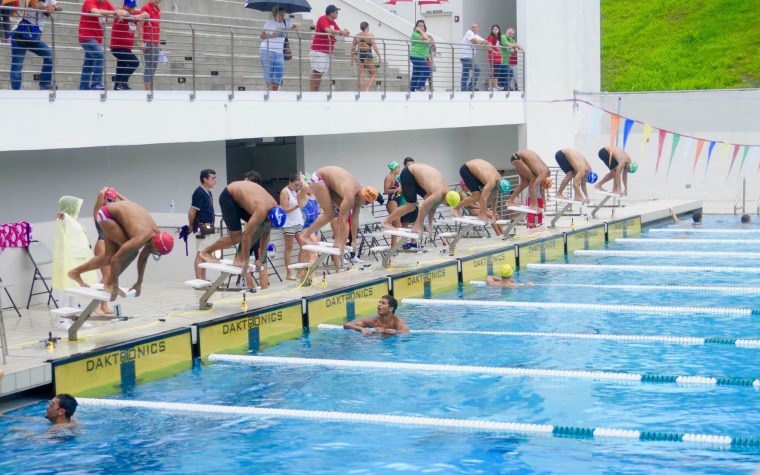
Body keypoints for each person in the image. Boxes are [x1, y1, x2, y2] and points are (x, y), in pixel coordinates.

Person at [68, 196, 174, 301]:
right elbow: (116, 259)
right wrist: (114, 284)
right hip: (107, 215)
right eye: (158, 252)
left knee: (108, 257)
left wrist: (139, 282)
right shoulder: (141, 237)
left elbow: (143, 257)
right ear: (155, 245)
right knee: (130, 253)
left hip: (115, 215)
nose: (156, 254)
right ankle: (109, 283)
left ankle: (75, 272)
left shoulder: (155, 236)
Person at [198, 180, 286, 276]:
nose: (270, 224)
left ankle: (239, 259)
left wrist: (260, 259)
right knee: (237, 237)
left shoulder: (274, 209)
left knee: (262, 227)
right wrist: (246, 261)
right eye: (270, 222)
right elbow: (246, 237)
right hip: (229, 197)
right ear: (270, 216)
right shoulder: (262, 212)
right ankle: (206, 252)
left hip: (241, 199)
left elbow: (266, 236)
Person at [300, 166, 378, 258]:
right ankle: (305, 235)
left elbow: (355, 218)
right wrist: (342, 244)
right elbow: (342, 219)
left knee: (343, 213)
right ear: (363, 196)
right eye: (367, 202)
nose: (367, 204)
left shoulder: (359, 196)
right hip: (319, 178)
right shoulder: (350, 195)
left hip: (330, 182)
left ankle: (337, 242)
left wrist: (354, 241)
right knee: (330, 215)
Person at [382, 162, 448, 238]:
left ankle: (416, 226)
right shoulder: (438, 194)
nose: (445, 205)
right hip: (409, 173)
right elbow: (424, 207)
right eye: (447, 204)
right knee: (411, 205)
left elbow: (433, 208)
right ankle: (386, 221)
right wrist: (419, 225)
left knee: (428, 202)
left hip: (415, 176)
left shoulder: (444, 191)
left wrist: (430, 226)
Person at [53, 196, 97, 308]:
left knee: (76, 289)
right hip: (67, 259)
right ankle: (63, 319)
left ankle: (74, 317)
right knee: (67, 290)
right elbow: (62, 218)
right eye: (77, 207)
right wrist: (63, 216)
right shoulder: (65, 221)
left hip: (78, 259)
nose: (79, 210)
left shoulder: (75, 222)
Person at [9, 0, 61, 91]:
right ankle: (15, 91)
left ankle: (45, 85)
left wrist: (54, 7)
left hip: (33, 37)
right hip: (20, 35)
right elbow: (34, 4)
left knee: (50, 56)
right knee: (17, 66)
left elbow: (60, 6)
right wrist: (47, 8)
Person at [92, 187, 128, 314]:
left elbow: (128, 204)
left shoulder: (113, 214)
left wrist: (117, 194)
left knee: (109, 277)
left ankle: (103, 306)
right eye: (109, 200)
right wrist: (104, 191)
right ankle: (95, 306)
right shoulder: (99, 214)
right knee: (106, 277)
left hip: (111, 247)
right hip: (102, 245)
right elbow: (100, 195)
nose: (112, 202)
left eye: (113, 200)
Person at [78, 0, 126, 90]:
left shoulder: (106, 3)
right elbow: (95, 12)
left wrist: (122, 12)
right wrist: (115, 12)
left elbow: (117, 12)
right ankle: (96, 83)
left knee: (88, 63)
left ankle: (83, 88)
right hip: (86, 36)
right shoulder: (89, 1)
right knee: (99, 55)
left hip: (96, 39)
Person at [309, 4, 349, 92]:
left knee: (320, 73)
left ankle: (316, 91)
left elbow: (337, 31)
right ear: (331, 13)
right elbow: (328, 30)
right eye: (336, 12)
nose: (337, 14)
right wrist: (341, 32)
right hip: (318, 50)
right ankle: (312, 92)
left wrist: (344, 32)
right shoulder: (323, 19)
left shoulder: (333, 22)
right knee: (316, 72)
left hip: (326, 51)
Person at [109, 0, 147, 91]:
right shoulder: (121, 11)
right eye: (130, 6)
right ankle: (122, 82)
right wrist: (133, 16)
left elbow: (146, 14)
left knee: (121, 67)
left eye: (133, 6)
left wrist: (136, 16)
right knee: (134, 62)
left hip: (127, 48)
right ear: (124, 6)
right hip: (117, 47)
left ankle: (117, 86)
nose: (132, 8)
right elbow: (123, 13)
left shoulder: (134, 12)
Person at [259, 6, 297, 92]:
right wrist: (273, 35)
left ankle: (274, 92)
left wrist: (288, 30)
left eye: (283, 15)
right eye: (280, 15)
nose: (282, 17)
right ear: (275, 14)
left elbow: (296, 28)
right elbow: (262, 36)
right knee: (269, 71)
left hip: (279, 51)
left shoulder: (286, 22)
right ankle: (270, 91)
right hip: (267, 49)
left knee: (279, 73)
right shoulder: (269, 23)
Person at [188, 168, 217, 280]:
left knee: (205, 252)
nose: (215, 180)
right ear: (205, 179)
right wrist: (191, 225)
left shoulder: (208, 192)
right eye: (213, 178)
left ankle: (203, 279)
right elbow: (192, 211)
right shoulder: (199, 192)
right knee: (201, 253)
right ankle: (199, 279)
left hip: (208, 227)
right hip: (201, 227)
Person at [280, 173, 307, 281]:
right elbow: (284, 209)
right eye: (295, 185)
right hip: (289, 224)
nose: (297, 187)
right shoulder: (284, 192)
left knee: (304, 246)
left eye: (298, 185)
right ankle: (289, 272)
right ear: (290, 182)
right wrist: (296, 206)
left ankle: (300, 270)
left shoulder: (295, 191)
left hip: (298, 222)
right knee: (289, 248)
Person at [343, 295, 409, 336]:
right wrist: (362, 329)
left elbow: (404, 332)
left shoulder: (397, 322)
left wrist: (385, 331)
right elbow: (348, 324)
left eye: (383, 303)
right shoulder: (373, 320)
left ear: (391, 308)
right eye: (379, 302)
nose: (379, 305)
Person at [350, 21, 382, 92]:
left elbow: (353, 48)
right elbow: (374, 46)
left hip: (360, 56)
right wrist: (379, 57)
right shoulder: (370, 35)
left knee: (361, 76)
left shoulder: (357, 36)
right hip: (368, 55)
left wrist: (352, 59)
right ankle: (367, 91)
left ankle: (361, 91)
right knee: (373, 75)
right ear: (367, 27)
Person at [137, 0, 160, 92]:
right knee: (149, 66)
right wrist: (141, 41)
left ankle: (150, 90)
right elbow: (140, 24)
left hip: (155, 41)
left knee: (154, 66)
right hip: (148, 40)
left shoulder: (158, 9)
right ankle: (148, 92)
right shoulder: (146, 8)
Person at [459, 23, 489, 92]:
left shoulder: (476, 35)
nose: (474, 28)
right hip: (465, 57)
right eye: (472, 27)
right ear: (470, 28)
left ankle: (464, 89)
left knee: (465, 74)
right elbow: (475, 41)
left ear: (478, 28)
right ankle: (470, 87)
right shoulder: (469, 33)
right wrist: (482, 42)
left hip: (468, 57)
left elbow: (487, 42)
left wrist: (484, 43)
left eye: (475, 27)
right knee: (477, 69)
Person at [383, 161, 404, 248]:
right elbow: (386, 190)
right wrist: (397, 190)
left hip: (397, 201)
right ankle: (393, 247)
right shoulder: (389, 177)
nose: (399, 169)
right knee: (396, 224)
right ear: (394, 168)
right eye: (398, 168)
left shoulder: (394, 177)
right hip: (392, 202)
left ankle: (394, 247)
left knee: (397, 225)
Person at [409, 19, 432, 92]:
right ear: (416, 27)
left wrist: (428, 39)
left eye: (422, 26)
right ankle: (419, 86)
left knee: (416, 74)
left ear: (424, 27)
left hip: (422, 57)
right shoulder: (415, 34)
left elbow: (430, 42)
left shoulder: (422, 34)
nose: (421, 27)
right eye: (419, 26)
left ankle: (412, 91)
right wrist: (419, 30)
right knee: (427, 69)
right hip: (416, 56)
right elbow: (425, 38)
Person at [486, 25, 504, 91]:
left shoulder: (498, 38)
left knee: (497, 72)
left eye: (496, 29)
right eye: (493, 29)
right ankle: (490, 87)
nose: (495, 30)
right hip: (493, 57)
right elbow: (489, 46)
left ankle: (496, 86)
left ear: (498, 30)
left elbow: (500, 48)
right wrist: (494, 52)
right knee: (493, 72)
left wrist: (501, 57)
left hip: (498, 57)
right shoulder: (491, 37)